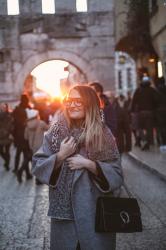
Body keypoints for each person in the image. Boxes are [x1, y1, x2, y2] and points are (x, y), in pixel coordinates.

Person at [32, 84, 123, 250]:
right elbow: (38, 165)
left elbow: (116, 174)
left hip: (95, 213)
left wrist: (89, 164)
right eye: (69, 100)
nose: (72, 105)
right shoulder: (56, 132)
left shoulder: (103, 133)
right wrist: (60, 156)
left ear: (89, 103)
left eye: (78, 101)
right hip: (64, 217)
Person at [24, 108, 48, 184]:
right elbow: (49, 128)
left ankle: (37, 179)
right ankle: (39, 179)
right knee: (40, 163)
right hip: (41, 146)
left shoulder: (27, 125)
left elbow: (25, 137)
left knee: (35, 163)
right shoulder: (41, 123)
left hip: (32, 147)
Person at [0, 103, 13, 171]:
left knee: (7, 151)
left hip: (8, 136)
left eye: (3, 106)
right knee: (1, 151)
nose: (2, 108)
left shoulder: (9, 115)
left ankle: (7, 164)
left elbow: (12, 125)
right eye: (1, 106)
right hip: (0, 136)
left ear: (6, 107)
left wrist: (9, 132)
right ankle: (6, 161)